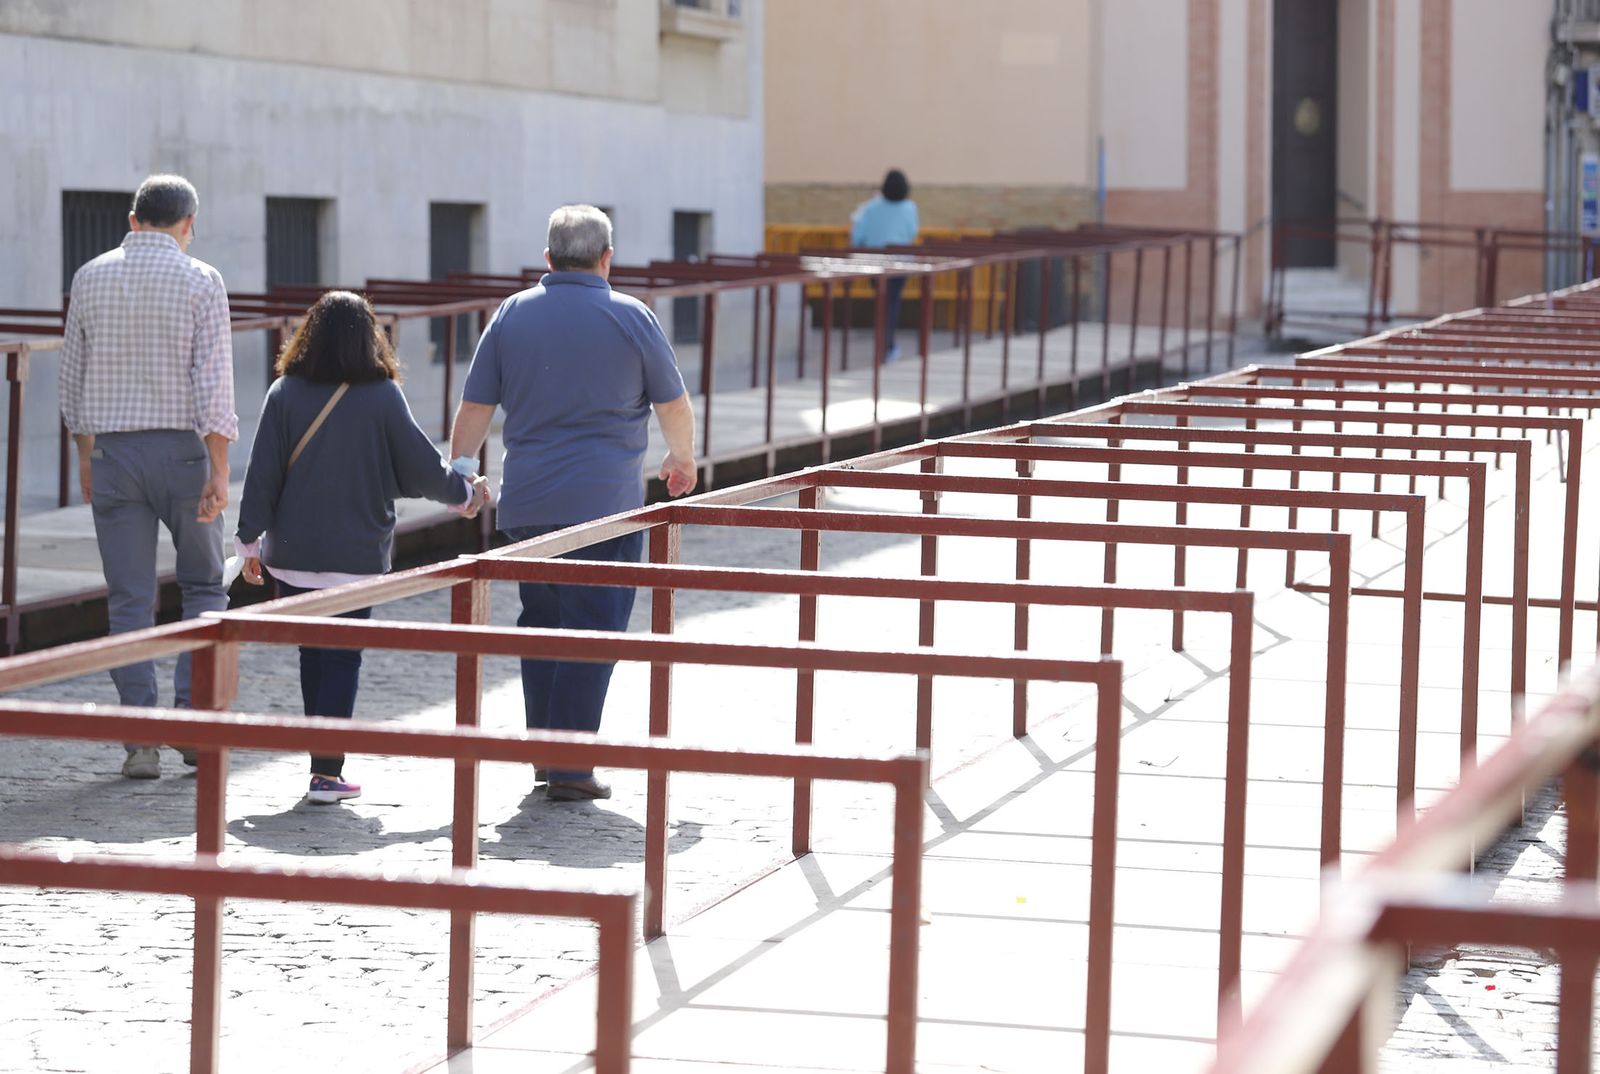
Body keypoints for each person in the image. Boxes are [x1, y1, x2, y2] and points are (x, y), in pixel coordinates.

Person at [449, 204, 697, 802]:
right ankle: (569, 764)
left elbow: (476, 406)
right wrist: (681, 459)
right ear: (607, 258)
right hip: (605, 504)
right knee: (595, 629)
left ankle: (547, 752)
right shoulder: (631, 316)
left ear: (548, 259)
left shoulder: (511, 314)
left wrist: (460, 471)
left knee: (542, 622)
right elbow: (673, 404)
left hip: (529, 503)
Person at [235, 291, 489, 805]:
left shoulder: (284, 392)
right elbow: (420, 465)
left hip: (295, 553)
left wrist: (248, 543)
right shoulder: (382, 396)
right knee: (344, 657)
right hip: (356, 554)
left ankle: (321, 767)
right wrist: (464, 494)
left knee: (312, 653)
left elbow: (261, 474)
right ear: (370, 338)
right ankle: (327, 772)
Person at [59, 174, 237, 780]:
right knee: (204, 588)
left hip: (111, 453)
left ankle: (140, 740)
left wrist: (86, 453)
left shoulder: (89, 275)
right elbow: (213, 384)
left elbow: (72, 379)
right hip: (184, 453)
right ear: (189, 223)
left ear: (134, 220)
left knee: (129, 598)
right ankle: (192, 725)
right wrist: (219, 467)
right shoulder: (202, 279)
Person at [850, 168, 920, 362]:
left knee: (881, 301)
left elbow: (858, 235)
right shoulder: (910, 208)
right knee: (893, 302)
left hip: (874, 261)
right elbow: (911, 234)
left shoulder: (871, 208)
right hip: (900, 261)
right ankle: (887, 345)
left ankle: (885, 343)